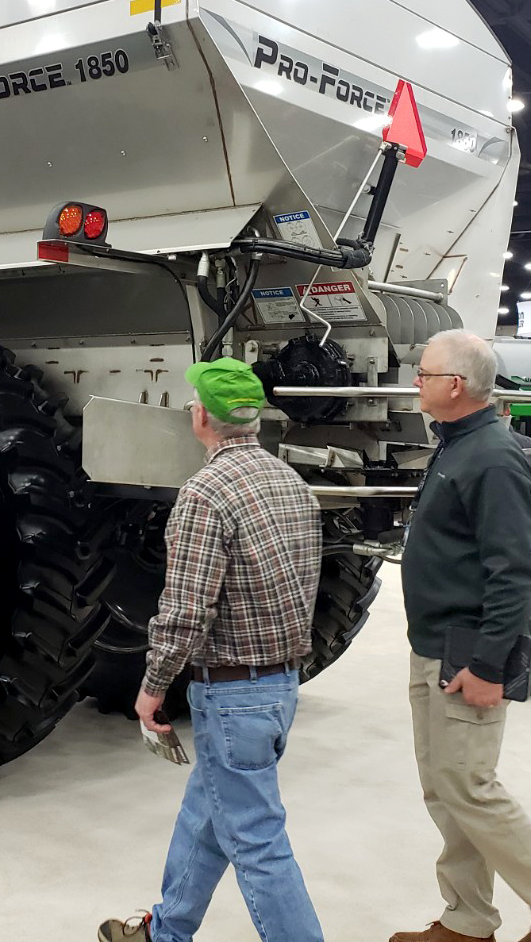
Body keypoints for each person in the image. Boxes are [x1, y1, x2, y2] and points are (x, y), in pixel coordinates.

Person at [99, 358, 325, 942]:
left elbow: (186, 607)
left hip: (231, 698)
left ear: (201, 416)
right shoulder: (292, 484)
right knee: (205, 818)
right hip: (278, 688)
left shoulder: (205, 493)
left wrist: (152, 688)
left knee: (257, 843)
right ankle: (166, 932)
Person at [392, 331, 531, 942]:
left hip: (465, 651)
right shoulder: (458, 446)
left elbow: (512, 575)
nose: (416, 383)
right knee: (444, 789)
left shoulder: (493, 458)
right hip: (434, 645)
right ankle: (468, 918)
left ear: (455, 385)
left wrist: (488, 665)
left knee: (471, 789)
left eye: (424, 374)